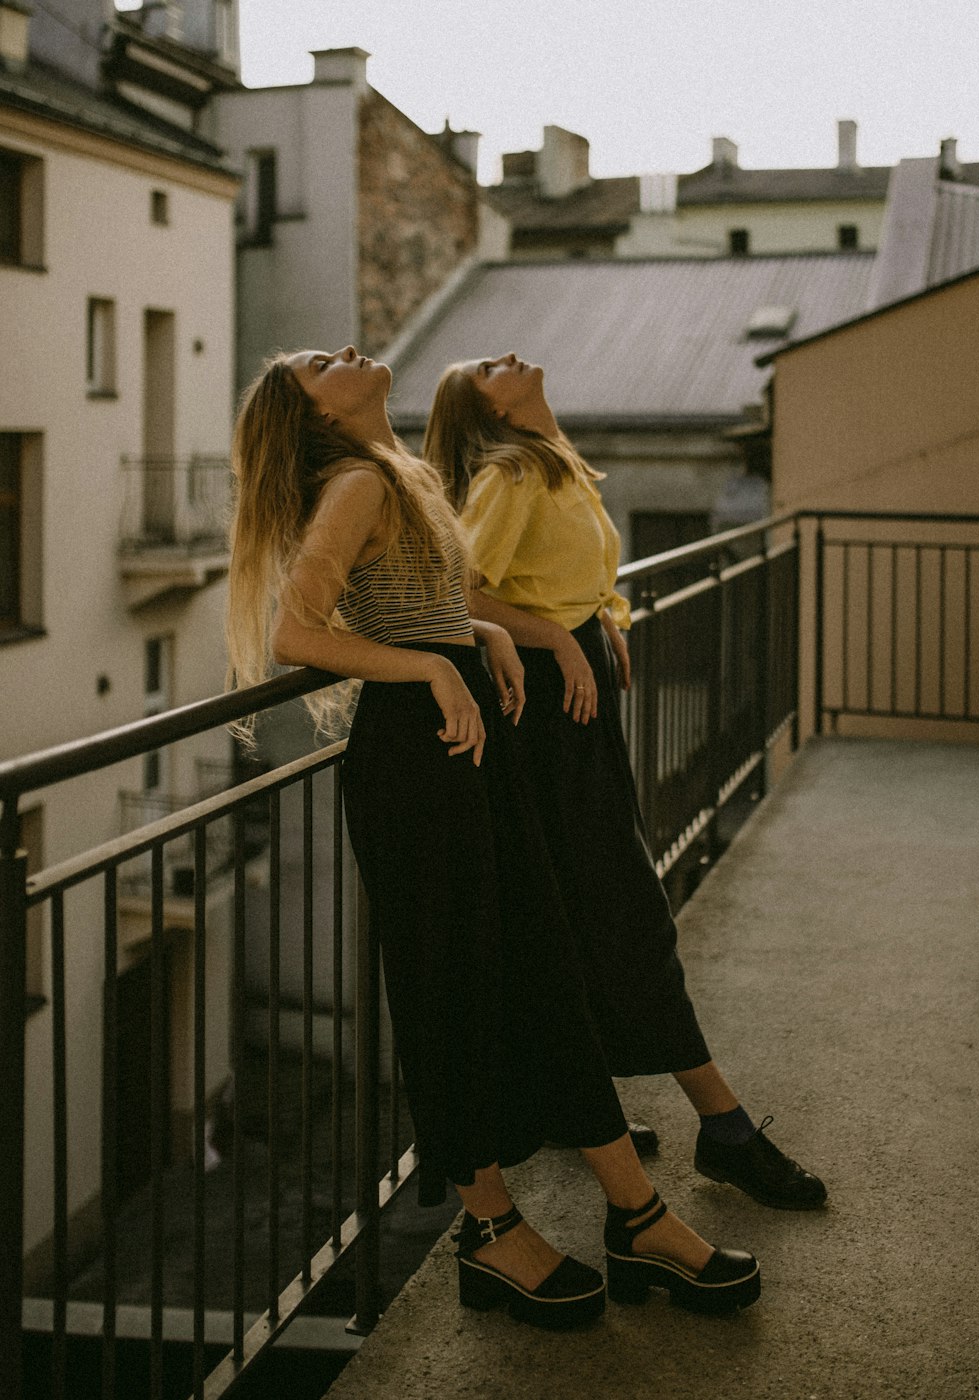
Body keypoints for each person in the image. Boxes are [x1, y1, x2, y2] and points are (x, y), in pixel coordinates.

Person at [225, 344, 761, 1331]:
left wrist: (489, 635)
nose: (341, 350)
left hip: (469, 741)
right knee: (453, 985)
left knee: (540, 968)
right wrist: (430, 670)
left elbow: (435, 603)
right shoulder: (349, 483)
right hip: (416, 756)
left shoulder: (406, 474)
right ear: (314, 416)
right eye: (315, 364)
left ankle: (632, 1213)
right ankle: (494, 1230)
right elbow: (296, 634)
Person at [423, 352, 827, 1213]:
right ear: (483, 411)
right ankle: (726, 1130)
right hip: (539, 716)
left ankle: (577, 1105)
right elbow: (459, 595)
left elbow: (583, 572)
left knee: (577, 908)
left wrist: (606, 622)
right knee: (625, 911)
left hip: (576, 705)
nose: (510, 357)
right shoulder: (510, 471)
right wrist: (562, 640)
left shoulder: (557, 460)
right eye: (488, 367)